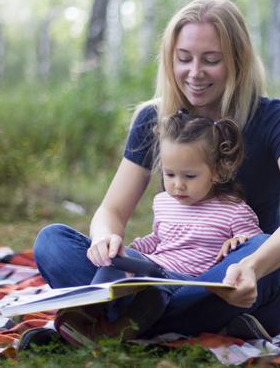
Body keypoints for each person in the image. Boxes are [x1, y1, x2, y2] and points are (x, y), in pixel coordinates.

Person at [33, 0, 280, 342]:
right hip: (167, 274)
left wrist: (252, 265)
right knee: (52, 242)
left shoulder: (277, 120)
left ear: (238, 60)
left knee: (264, 248)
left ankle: (113, 323)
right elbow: (112, 210)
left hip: (243, 282)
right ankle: (148, 323)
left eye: (211, 60)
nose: (194, 72)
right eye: (184, 58)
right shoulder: (153, 119)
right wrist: (105, 240)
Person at [53, 111, 263, 346]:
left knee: (153, 288)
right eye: (169, 174)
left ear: (216, 171)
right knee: (66, 243)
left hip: (188, 285)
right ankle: (91, 314)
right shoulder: (163, 202)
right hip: (153, 272)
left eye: (190, 176)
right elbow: (159, 240)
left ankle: (110, 330)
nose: (177, 184)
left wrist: (238, 241)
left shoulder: (234, 210)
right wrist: (125, 249)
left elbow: (257, 246)